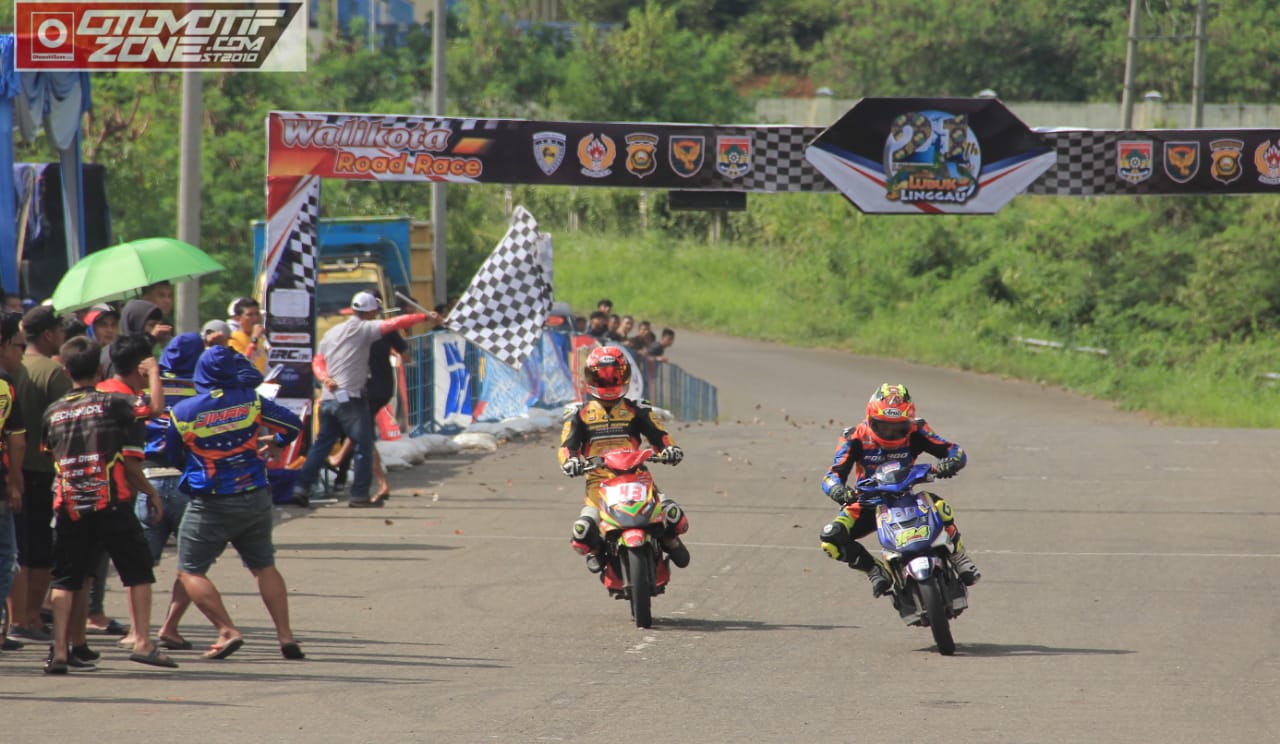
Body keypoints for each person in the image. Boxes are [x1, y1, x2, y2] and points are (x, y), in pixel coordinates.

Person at [41, 336, 176, 673]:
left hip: (69, 504)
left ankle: (60, 650)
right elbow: (154, 409)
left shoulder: (53, 411)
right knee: (138, 572)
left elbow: (49, 452)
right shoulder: (112, 402)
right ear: (100, 369)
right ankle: (143, 641)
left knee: (66, 579)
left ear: (66, 370)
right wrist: (154, 371)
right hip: (110, 500)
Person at [165, 344, 304, 660]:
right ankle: (286, 637)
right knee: (264, 566)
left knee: (189, 570)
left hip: (211, 502)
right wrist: (277, 441)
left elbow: (173, 455)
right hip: (256, 494)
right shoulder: (251, 401)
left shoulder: (183, 412)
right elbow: (293, 425)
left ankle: (227, 630)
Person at [818, 383, 980, 598]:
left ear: (909, 422)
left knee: (941, 507)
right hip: (867, 502)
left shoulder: (918, 429)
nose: (891, 433)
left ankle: (959, 556)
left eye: (899, 428)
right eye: (883, 426)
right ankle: (874, 570)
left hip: (906, 497)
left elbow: (954, 450)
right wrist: (839, 491)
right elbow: (832, 475)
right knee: (831, 539)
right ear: (870, 418)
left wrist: (951, 463)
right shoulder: (854, 436)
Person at [290, 291, 435, 509]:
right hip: (351, 398)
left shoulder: (331, 332)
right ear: (371, 312)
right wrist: (425, 317)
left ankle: (301, 488)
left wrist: (325, 378)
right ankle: (359, 495)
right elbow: (395, 323)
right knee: (364, 446)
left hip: (328, 399)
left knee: (321, 445)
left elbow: (318, 360)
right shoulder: (365, 328)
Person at [558, 346, 689, 573]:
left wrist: (670, 450)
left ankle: (670, 541)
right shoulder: (579, 414)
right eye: (602, 377)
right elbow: (567, 446)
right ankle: (597, 550)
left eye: (614, 377)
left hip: (637, 478)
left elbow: (660, 436)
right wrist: (570, 462)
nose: (609, 382)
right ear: (590, 378)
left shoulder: (638, 409)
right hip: (598, 485)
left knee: (673, 514)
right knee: (581, 533)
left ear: (625, 376)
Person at [9, 305, 69, 644]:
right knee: (40, 551)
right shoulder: (53, 372)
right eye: (60, 331)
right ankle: (30, 617)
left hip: (13, 471)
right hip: (41, 470)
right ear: (48, 335)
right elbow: (64, 425)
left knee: (17, 549)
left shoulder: (12, 370)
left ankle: (16, 617)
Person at [328, 292, 413, 503]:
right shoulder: (385, 328)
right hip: (383, 386)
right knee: (361, 432)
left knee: (358, 432)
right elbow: (406, 355)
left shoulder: (350, 331)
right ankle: (378, 483)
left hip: (364, 388)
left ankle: (341, 465)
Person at [0, 313, 27, 652]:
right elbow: (17, 441)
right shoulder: (5, 385)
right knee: (5, 555)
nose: (21, 354)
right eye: (18, 346)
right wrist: (15, 482)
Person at [227, 297, 268, 373]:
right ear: (238, 319)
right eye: (250, 315)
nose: (255, 318)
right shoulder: (233, 339)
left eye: (257, 314)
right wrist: (254, 340)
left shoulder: (260, 339)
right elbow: (243, 364)